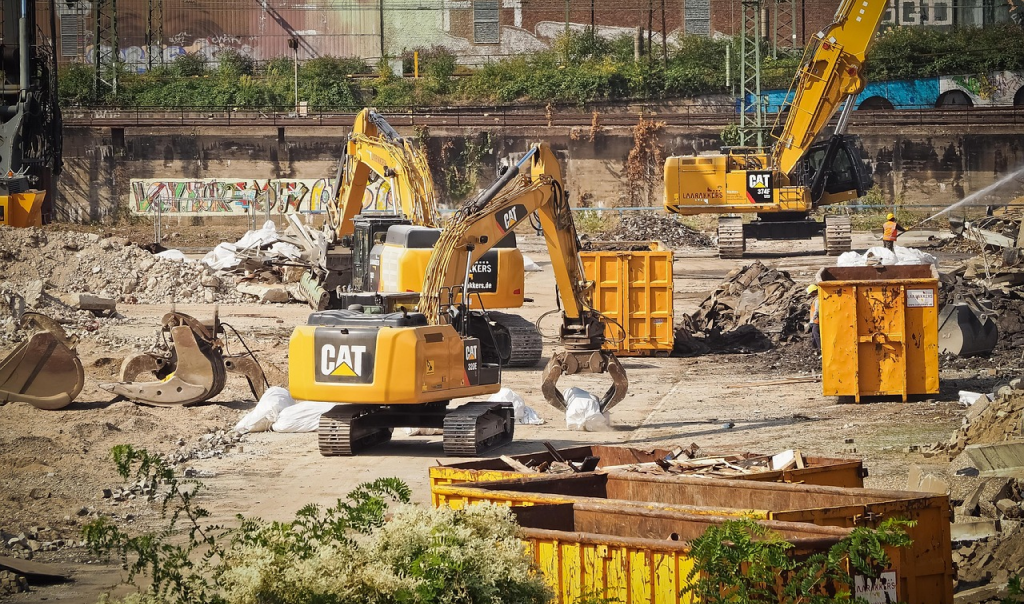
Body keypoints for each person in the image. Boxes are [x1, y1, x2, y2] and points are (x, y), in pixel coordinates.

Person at [807, 284, 821, 354]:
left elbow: (817, 310)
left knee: (816, 335)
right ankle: (814, 348)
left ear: (814, 291)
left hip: (816, 321)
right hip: (814, 321)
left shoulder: (817, 300)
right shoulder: (816, 299)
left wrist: (813, 318)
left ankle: (820, 348)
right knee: (813, 335)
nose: (810, 295)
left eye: (811, 293)